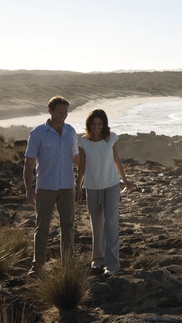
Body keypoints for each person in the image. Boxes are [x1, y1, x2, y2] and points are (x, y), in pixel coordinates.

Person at [76, 108, 137, 276]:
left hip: (111, 185)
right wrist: (78, 187)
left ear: (104, 125)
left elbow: (117, 160)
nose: (96, 127)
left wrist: (124, 180)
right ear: (89, 125)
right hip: (92, 187)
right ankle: (98, 259)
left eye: (100, 124)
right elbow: (82, 166)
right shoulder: (82, 142)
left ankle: (112, 265)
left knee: (110, 223)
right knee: (96, 224)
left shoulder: (111, 138)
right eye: (93, 124)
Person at [23, 95, 79, 276]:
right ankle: (37, 266)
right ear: (50, 112)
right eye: (60, 112)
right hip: (46, 186)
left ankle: (68, 265)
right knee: (42, 227)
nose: (63, 115)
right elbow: (29, 163)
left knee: (68, 226)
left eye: (66, 112)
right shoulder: (37, 133)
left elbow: (76, 158)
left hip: (67, 186)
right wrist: (29, 189)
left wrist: (92, 170)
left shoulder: (71, 131)